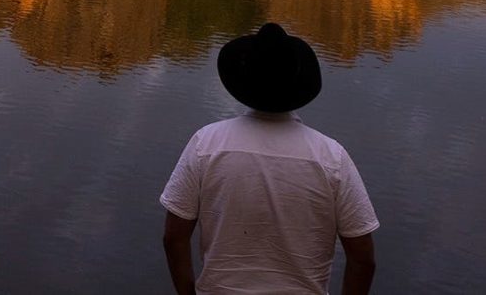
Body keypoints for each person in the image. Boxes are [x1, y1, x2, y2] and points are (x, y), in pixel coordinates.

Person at [160, 22, 378, 295]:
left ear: (244, 79)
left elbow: (174, 237)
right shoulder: (331, 157)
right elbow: (363, 258)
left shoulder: (207, 144)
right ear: (297, 84)